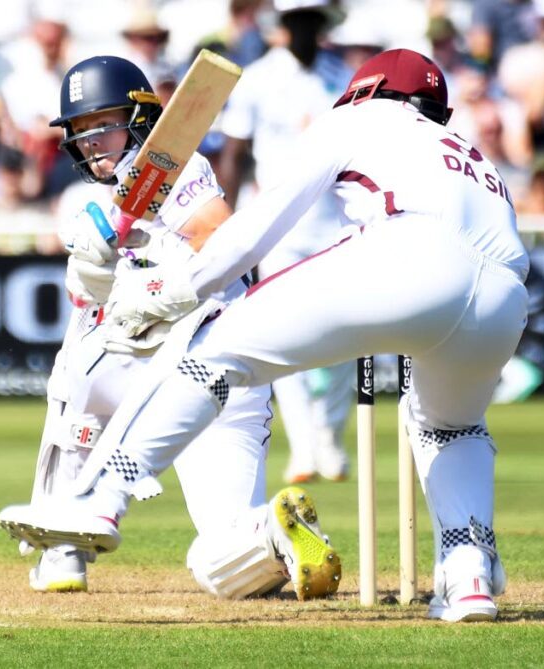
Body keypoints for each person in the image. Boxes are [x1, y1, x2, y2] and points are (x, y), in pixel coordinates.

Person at [0, 49, 530, 624]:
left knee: (211, 352)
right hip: (504, 297)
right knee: (452, 428)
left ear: (364, 89)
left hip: (409, 253)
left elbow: (252, 229)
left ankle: (97, 501)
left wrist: (173, 289)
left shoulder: (355, 118)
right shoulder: (471, 154)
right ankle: (469, 573)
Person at [10, 54, 341, 601]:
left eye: (103, 124)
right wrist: (94, 271)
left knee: (226, 563)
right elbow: (86, 303)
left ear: (141, 120)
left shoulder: (179, 168)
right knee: (77, 366)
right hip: (146, 369)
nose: (90, 141)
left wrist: (156, 278)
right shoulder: (89, 200)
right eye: (81, 130)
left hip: (209, 366)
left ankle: (67, 543)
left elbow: (218, 235)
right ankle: (69, 545)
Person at [218, 0, 354, 484]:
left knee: (344, 335)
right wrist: (223, 226)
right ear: (284, 25)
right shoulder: (256, 77)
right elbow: (234, 154)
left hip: (338, 224)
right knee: (284, 335)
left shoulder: (345, 77)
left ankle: (330, 437)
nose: (305, 31)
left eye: (313, 22)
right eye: (298, 21)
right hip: (277, 229)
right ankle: (303, 448)